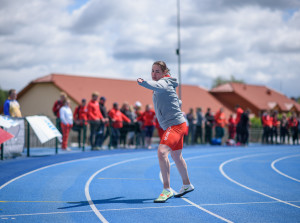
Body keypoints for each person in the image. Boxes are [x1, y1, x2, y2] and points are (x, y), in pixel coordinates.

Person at [137, 60, 194, 203]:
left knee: (162, 152)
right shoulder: (165, 86)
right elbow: (172, 100)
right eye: (152, 71)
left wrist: (143, 82)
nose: (154, 74)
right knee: (177, 156)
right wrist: (177, 103)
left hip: (175, 125)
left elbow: (157, 85)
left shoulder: (164, 82)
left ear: (164, 73)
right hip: (175, 124)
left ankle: (166, 189)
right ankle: (187, 184)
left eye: (157, 71)